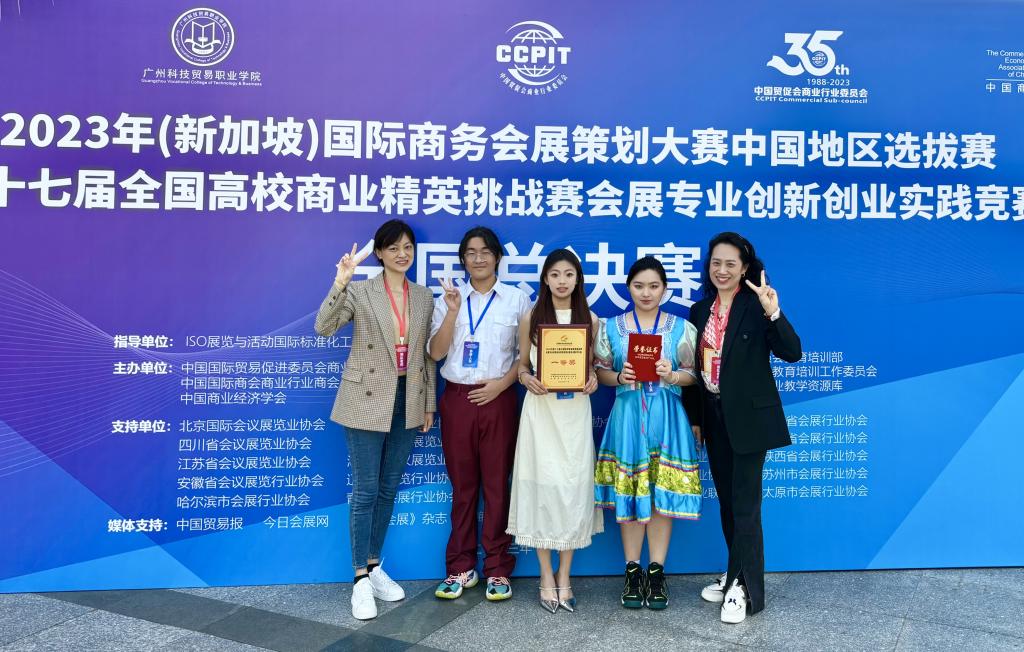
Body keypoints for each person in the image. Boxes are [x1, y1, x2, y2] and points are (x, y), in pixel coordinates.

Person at [314, 219, 437, 620]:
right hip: (366, 397)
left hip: (407, 398)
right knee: (366, 490)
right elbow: (323, 327)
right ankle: (359, 580)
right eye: (394, 248)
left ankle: (374, 565)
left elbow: (425, 357)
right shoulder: (361, 291)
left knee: (387, 489)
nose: (402, 254)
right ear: (380, 253)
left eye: (408, 247)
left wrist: (429, 404)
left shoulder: (424, 297)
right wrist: (341, 282)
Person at [683, 232, 801, 624]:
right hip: (714, 417)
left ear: (745, 268)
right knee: (728, 504)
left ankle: (744, 589)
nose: (722, 270)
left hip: (749, 419)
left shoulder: (756, 305)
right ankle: (735, 572)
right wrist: (696, 418)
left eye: (730, 264)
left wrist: (774, 312)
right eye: (716, 263)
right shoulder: (700, 311)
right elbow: (694, 371)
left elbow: (792, 352)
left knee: (746, 505)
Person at [429, 226, 531, 602]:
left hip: (499, 398)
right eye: (471, 252)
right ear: (463, 259)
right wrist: (453, 312)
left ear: (497, 257)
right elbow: (436, 352)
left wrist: (501, 386)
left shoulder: (518, 300)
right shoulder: (448, 299)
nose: (478, 258)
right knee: (463, 488)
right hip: (457, 398)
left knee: (497, 486)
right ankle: (460, 566)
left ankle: (498, 568)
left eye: (485, 251)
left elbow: (525, 358)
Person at [593, 256, 700, 611]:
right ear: (629, 288)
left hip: (667, 417)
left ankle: (656, 571)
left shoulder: (681, 328)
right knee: (631, 493)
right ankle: (631, 570)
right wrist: (618, 377)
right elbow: (600, 372)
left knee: (659, 496)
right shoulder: (611, 327)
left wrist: (672, 375)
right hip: (627, 417)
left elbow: (693, 375)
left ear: (664, 289)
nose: (646, 293)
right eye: (639, 286)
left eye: (654, 286)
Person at [507, 249, 604, 613]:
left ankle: (565, 575)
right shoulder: (530, 317)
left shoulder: (591, 320)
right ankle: (546, 575)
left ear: (578, 280)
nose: (562, 281)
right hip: (541, 413)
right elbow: (521, 366)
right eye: (555, 275)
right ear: (545, 279)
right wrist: (526, 378)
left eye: (569, 274)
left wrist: (593, 378)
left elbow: (593, 367)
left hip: (574, 413)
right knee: (540, 488)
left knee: (572, 489)